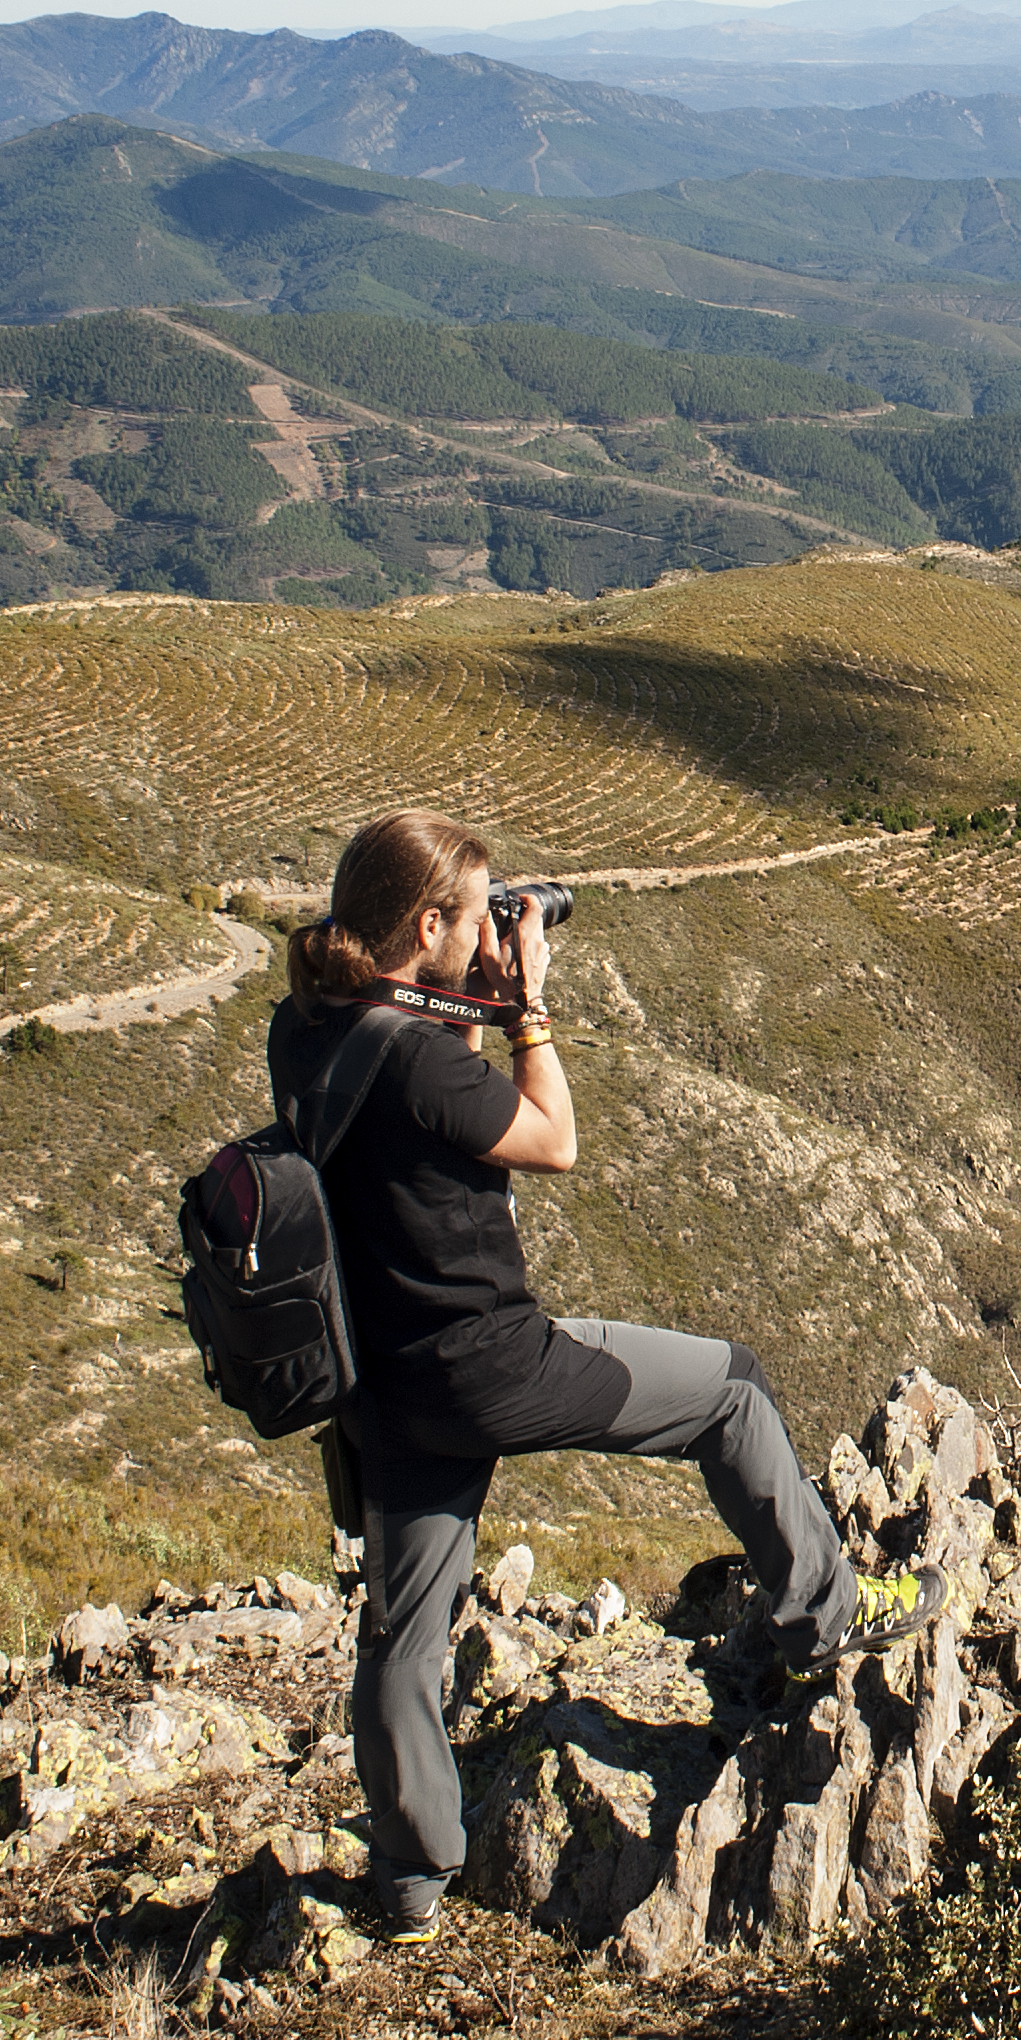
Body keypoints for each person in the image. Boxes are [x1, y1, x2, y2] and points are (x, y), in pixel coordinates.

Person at [273, 809, 920, 1943]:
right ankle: (825, 1609)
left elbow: (428, 1115)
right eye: (474, 924)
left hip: (389, 1384)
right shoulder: (422, 1054)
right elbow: (550, 1137)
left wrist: (465, 997)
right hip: (493, 1362)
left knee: (404, 1635)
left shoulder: (314, 1024)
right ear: (426, 925)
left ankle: (412, 1875)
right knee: (730, 1388)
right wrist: (527, 1006)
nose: (489, 939)